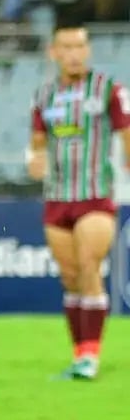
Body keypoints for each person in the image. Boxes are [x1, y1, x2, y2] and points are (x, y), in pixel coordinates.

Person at [27, 23, 130, 381]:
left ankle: (91, 357)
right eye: (66, 46)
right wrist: (34, 159)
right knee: (70, 277)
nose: (74, 53)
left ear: (88, 51)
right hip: (57, 199)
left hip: (95, 197)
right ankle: (79, 354)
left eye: (80, 46)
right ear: (53, 52)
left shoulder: (107, 91)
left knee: (89, 266)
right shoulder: (43, 95)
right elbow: (37, 142)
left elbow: (126, 132)